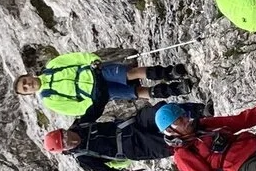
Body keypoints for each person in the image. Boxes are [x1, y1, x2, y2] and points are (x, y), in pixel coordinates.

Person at [41, 102, 206, 171]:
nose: (68, 140)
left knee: (160, 111)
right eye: (65, 143)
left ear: (64, 130)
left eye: (64, 136)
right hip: (135, 148)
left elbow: (98, 101)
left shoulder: (82, 124)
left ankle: (199, 111)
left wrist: (97, 74)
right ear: (65, 150)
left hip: (133, 125)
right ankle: (204, 137)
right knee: (174, 144)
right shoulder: (84, 157)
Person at [14, 49, 191, 120]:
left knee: (130, 73)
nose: (28, 85)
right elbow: (75, 109)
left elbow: (74, 59)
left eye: (25, 82)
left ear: (28, 75)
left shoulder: (52, 66)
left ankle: (169, 72)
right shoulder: (49, 99)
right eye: (25, 88)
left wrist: (92, 60)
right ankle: (174, 89)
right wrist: (94, 101)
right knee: (136, 92)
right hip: (95, 92)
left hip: (94, 71)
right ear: (29, 93)